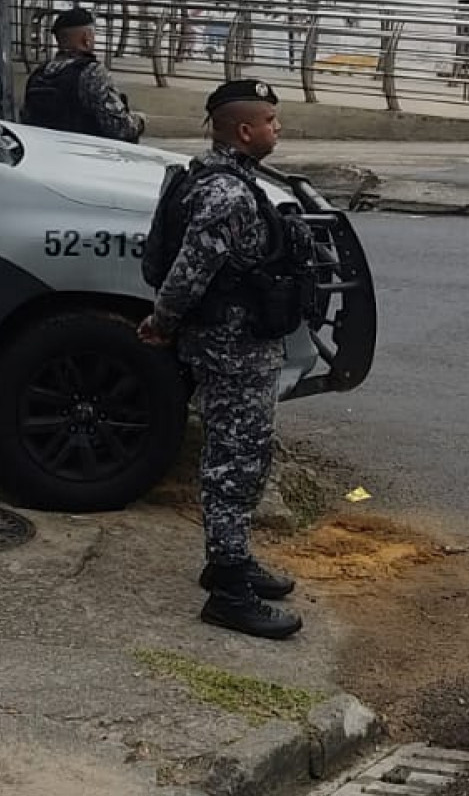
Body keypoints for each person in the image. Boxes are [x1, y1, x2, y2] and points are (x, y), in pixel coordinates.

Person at [138, 79, 303, 641]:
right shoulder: (226, 193)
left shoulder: (221, 178)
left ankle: (230, 560)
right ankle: (229, 591)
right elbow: (191, 269)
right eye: (272, 122)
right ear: (244, 129)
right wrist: (161, 323)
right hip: (231, 347)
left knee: (242, 451)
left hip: (238, 342)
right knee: (234, 459)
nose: (277, 130)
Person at [20, 7, 145, 142]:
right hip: (85, 152)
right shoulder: (92, 73)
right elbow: (119, 128)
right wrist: (140, 121)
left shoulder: (39, 74)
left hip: (48, 150)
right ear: (86, 38)